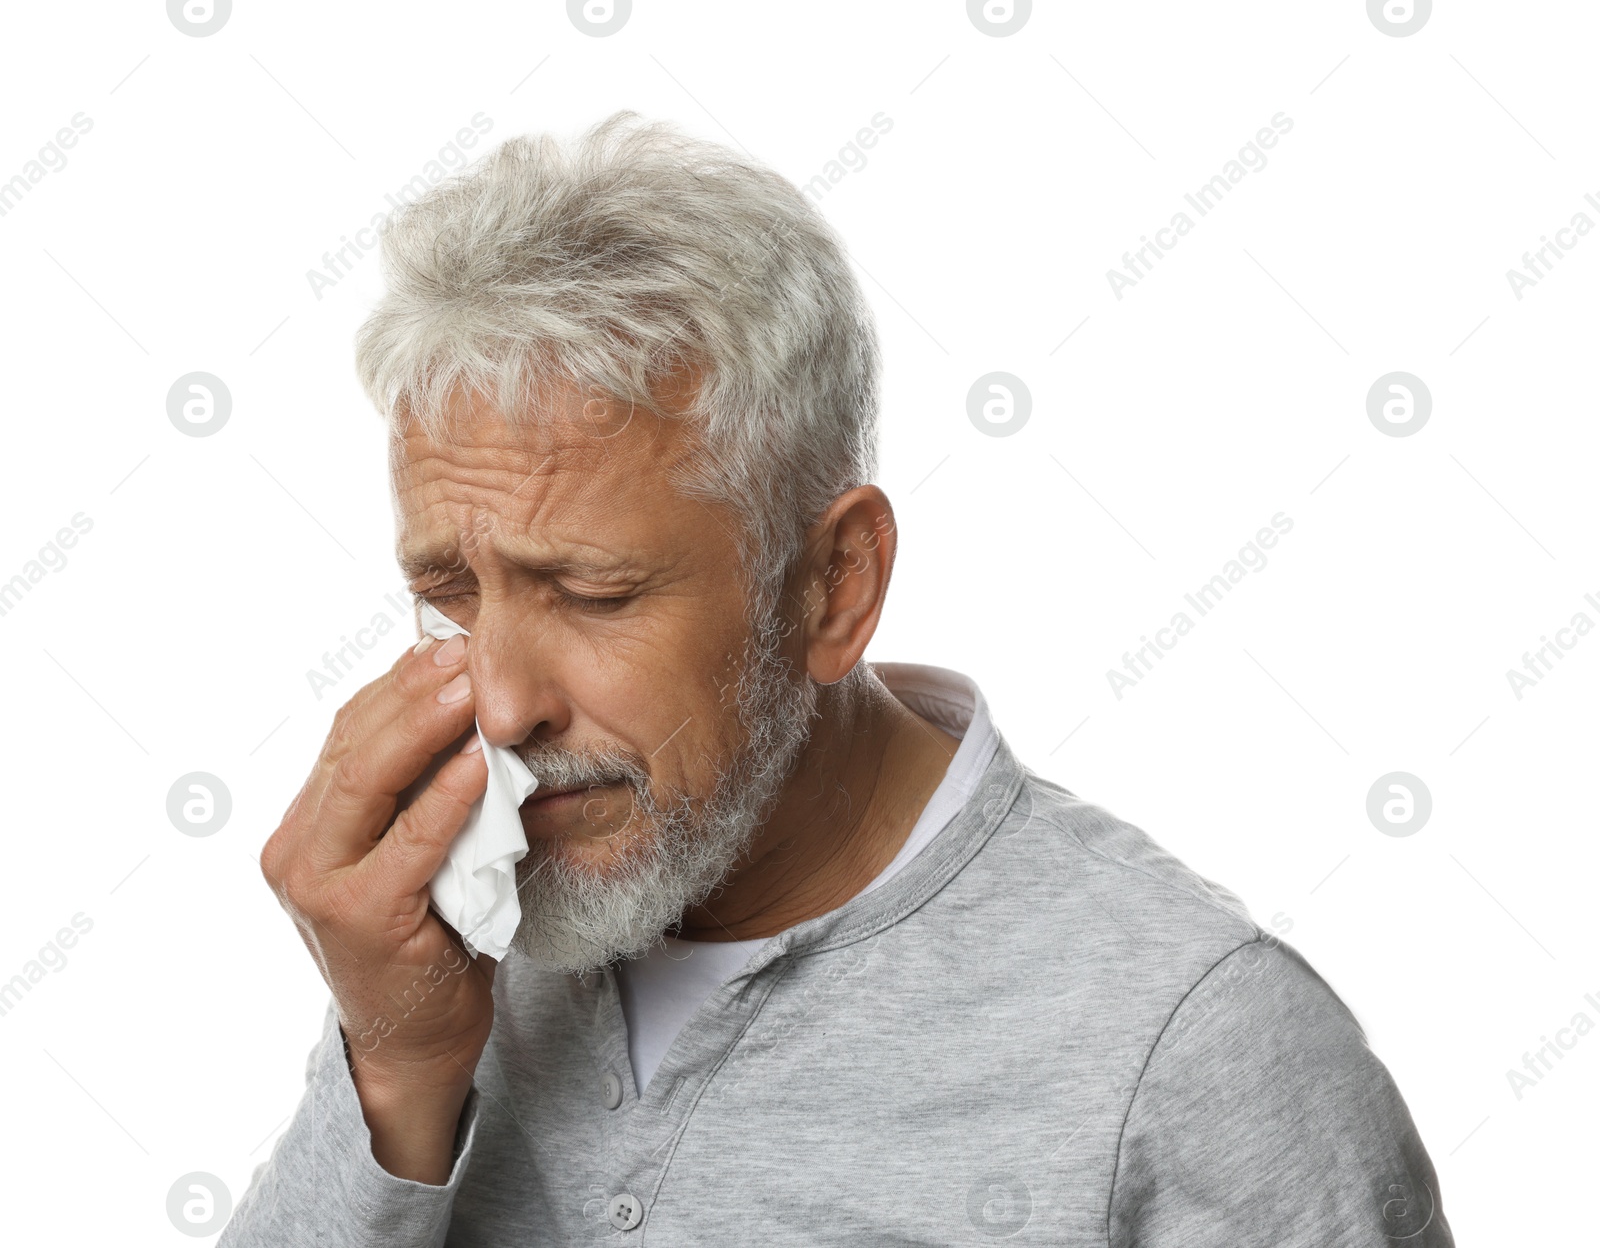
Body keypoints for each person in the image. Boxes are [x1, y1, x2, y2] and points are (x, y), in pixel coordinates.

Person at [224, 112, 1453, 1245]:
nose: (498, 705)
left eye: (592, 592)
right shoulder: (472, 929)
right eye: (452, 592)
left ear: (832, 583)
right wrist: (392, 1071)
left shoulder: (1199, 1054)